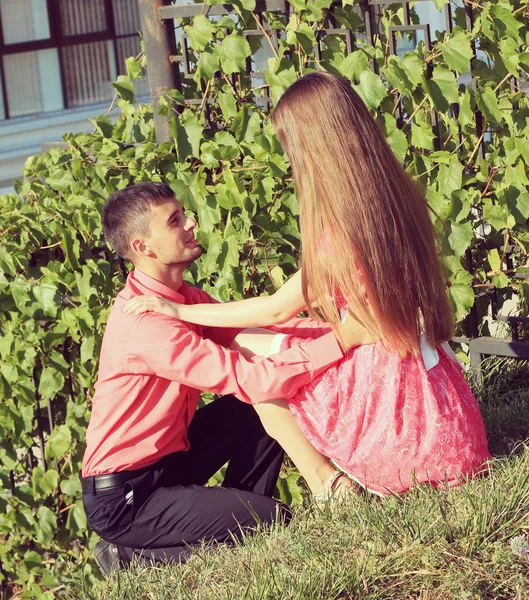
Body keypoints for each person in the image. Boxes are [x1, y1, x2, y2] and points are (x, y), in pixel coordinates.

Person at [124, 72, 492, 498]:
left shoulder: (340, 232)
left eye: (290, 148)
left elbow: (277, 309)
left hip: (396, 421)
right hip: (440, 409)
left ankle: (324, 484)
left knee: (252, 358)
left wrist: (179, 311)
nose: (290, 161)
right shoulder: (398, 198)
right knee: (272, 342)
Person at [81, 181, 372, 576]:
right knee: (275, 520)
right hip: (128, 496)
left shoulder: (181, 296)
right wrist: (342, 341)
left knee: (251, 412)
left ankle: (245, 517)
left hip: (171, 460)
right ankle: (129, 555)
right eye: (175, 220)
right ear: (142, 247)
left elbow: (257, 333)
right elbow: (250, 376)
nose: (192, 223)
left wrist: (341, 328)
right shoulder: (146, 326)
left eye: (184, 213)